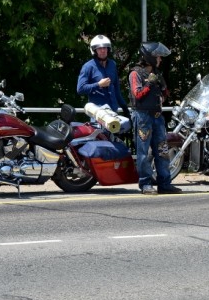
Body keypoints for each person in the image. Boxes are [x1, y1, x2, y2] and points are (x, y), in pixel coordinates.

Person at [129, 41, 180, 195]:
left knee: (162, 150)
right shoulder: (135, 73)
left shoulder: (157, 73)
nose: (160, 59)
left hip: (157, 115)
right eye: (157, 56)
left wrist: (163, 91)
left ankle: (165, 183)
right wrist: (150, 84)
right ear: (149, 57)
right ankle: (145, 184)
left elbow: (165, 93)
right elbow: (137, 94)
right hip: (143, 115)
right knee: (143, 152)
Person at [77, 35, 131, 122]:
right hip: (98, 113)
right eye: (99, 48)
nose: (103, 50)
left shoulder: (112, 64)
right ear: (94, 50)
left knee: (113, 135)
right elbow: (80, 89)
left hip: (113, 111)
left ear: (108, 49)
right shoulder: (88, 67)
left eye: (105, 48)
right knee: (98, 136)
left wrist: (125, 108)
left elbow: (116, 89)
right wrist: (98, 85)